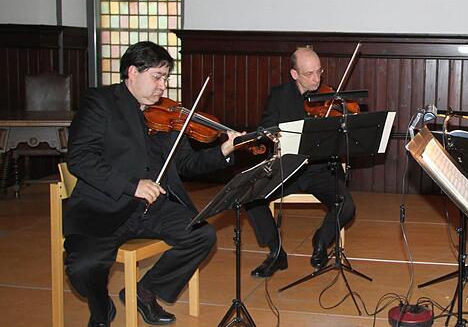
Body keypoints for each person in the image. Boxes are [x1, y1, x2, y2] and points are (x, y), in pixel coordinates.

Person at [64, 41, 242, 327]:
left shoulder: (168, 116)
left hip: (152, 208)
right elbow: (80, 158)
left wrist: (224, 150)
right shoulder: (100, 102)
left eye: (167, 78)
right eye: (158, 77)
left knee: (201, 235)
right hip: (105, 207)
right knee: (83, 267)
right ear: (132, 72)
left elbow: (186, 164)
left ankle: (144, 293)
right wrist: (131, 185)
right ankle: (101, 309)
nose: (164, 86)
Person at [244, 46, 356, 277]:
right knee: (250, 196)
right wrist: (266, 135)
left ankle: (321, 241)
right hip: (289, 168)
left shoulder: (330, 96)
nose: (316, 79)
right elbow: (267, 125)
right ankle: (276, 253)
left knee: (347, 206)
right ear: (294, 74)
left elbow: (345, 135)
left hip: (319, 170)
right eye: (309, 74)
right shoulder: (279, 95)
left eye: (319, 72)